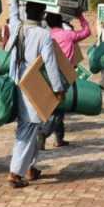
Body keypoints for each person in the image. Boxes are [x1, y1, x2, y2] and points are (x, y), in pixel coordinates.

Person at [6, 0, 65, 188]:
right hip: (32, 85)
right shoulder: (43, 35)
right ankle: (15, 173)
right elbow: (50, 63)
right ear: (42, 15)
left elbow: (13, 13)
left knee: (31, 128)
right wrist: (58, 88)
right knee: (29, 128)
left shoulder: (16, 27)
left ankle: (30, 168)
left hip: (16, 82)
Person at [41, 10, 91, 148]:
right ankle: (43, 134)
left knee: (52, 107)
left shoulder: (46, 36)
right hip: (63, 76)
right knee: (59, 108)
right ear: (60, 23)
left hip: (46, 75)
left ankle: (59, 138)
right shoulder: (68, 35)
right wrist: (80, 16)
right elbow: (86, 32)